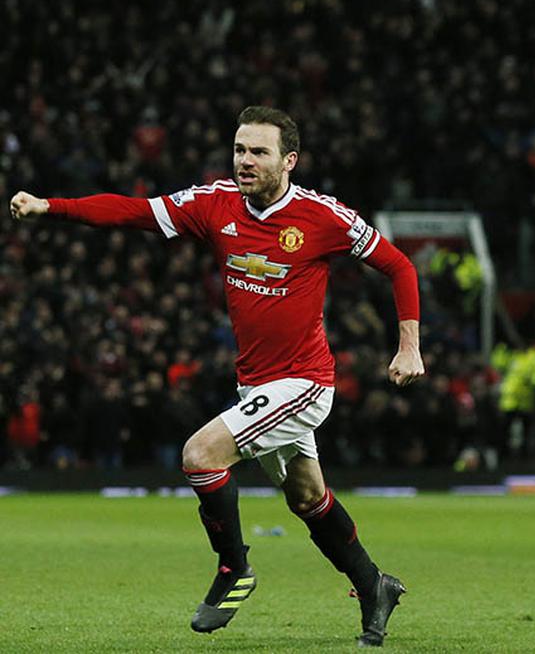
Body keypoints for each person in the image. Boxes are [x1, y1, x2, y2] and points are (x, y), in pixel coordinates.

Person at [9, 105, 425, 647]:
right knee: (306, 498)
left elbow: (400, 265)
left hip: (304, 382)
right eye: (239, 150)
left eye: (258, 152)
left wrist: (409, 346)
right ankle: (374, 586)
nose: (245, 161)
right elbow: (135, 211)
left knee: (199, 455)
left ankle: (234, 570)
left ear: (289, 161)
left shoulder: (324, 218)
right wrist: (52, 206)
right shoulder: (214, 203)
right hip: (256, 383)